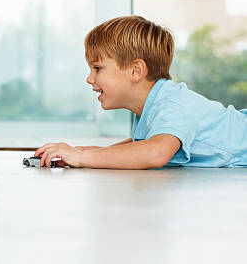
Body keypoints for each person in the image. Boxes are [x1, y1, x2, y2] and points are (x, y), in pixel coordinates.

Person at [35, 15, 247, 169]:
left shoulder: (172, 106)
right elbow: (142, 145)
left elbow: (155, 152)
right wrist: (85, 152)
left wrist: (81, 158)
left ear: (135, 70)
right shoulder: (155, 107)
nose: (89, 79)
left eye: (97, 68)